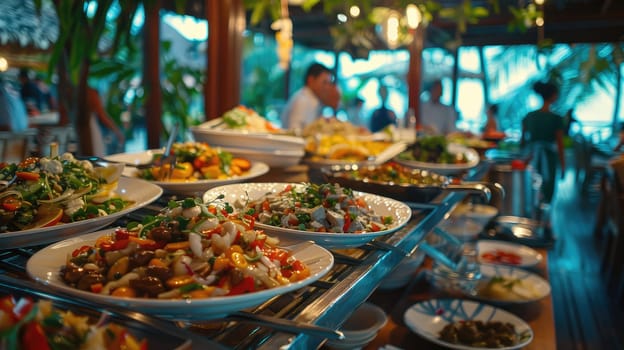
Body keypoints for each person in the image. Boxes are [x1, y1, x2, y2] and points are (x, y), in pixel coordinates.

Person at [521, 81, 566, 204]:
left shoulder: (529, 116)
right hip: (549, 157)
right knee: (548, 185)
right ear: (552, 96)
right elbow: (560, 144)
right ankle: (546, 218)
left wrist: (522, 159)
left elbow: (522, 141)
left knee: (531, 185)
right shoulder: (556, 118)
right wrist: (563, 166)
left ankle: (532, 214)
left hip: (531, 157)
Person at [280, 62, 333, 131]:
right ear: (311, 80)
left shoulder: (313, 100)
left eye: (329, 83)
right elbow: (294, 131)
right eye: (324, 82)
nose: (327, 87)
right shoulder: (302, 101)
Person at [86, 86, 125, 156]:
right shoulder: (90, 92)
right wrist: (117, 131)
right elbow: (102, 115)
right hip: (90, 129)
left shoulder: (73, 91)